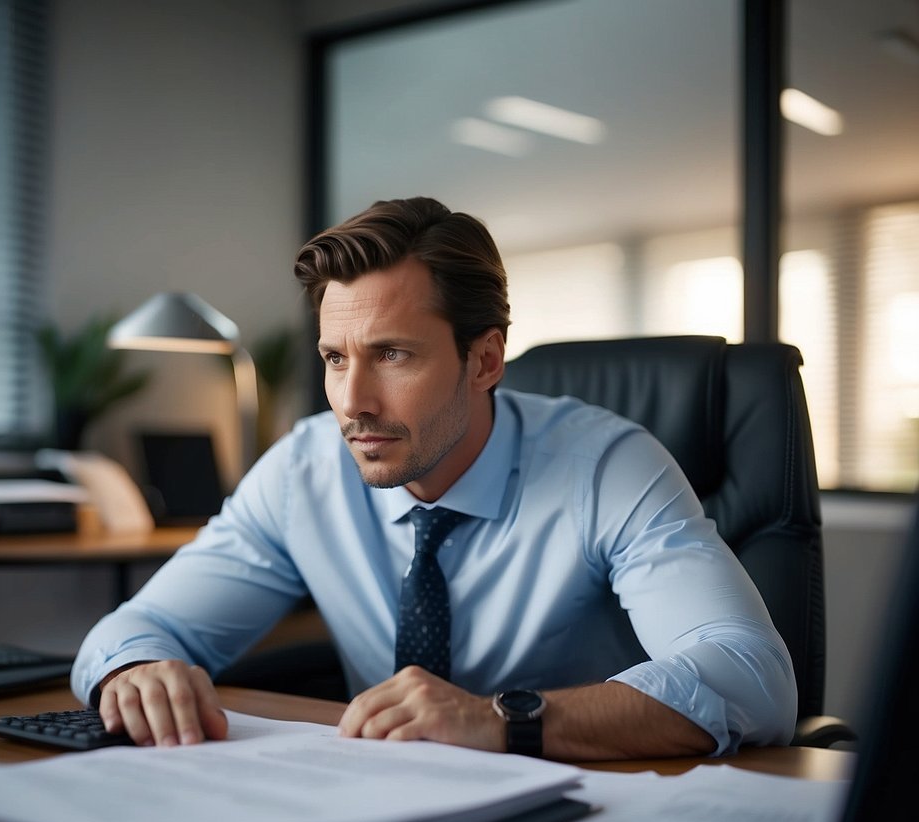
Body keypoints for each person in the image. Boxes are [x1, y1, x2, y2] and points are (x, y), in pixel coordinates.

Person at [71, 197, 796, 759]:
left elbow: (752, 678)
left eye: (392, 355)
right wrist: (136, 670)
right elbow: (137, 628)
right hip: (382, 812)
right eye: (335, 359)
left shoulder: (606, 466)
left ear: (484, 361)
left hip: (587, 811)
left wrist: (498, 720)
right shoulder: (303, 471)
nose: (352, 403)